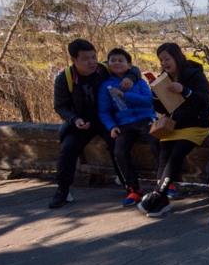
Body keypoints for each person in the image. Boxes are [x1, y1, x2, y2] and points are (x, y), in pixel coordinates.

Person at [50, 39, 141, 209]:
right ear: (74, 60)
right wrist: (74, 119)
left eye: (94, 57)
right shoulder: (65, 78)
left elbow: (132, 67)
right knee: (68, 148)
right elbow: (60, 106)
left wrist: (130, 77)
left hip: (107, 118)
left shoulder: (103, 69)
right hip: (82, 121)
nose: (92, 62)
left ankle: (130, 186)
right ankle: (63, 190)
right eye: (86, 59)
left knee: (117, 144)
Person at [138, 43, 209, 217]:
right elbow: (162, 108)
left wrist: (185, 91)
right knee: (163, 155)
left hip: (196, 124)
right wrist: (156, 92)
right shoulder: (164, 78)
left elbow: (204, 100)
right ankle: (162, 201)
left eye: (167, 59)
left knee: (176, 155)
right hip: (175, 124)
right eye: (161, 60)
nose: (165, 63)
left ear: (177, 57)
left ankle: (157, 195)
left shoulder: (195, 75)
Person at [97, 48, 159, 207]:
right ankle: (134, 189)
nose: (117, 63)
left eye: (120, 60)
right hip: (124, 123)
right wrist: (111, 126)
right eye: (113, 61)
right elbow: (103, 111)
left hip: (146, 117)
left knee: (157, 140)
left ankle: (164, 181)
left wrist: (125, 95)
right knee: (119, 151)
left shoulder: (139, 82)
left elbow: (148, 101)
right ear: (108, 64)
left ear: (129, 65)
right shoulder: (106, 86)